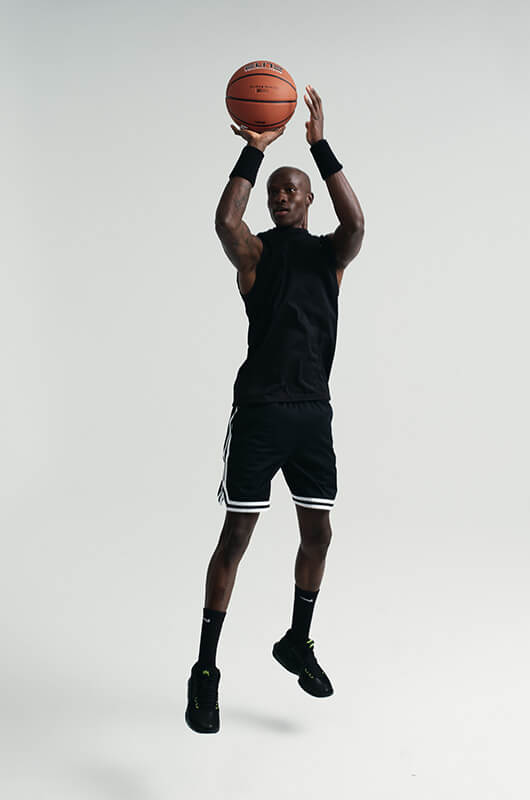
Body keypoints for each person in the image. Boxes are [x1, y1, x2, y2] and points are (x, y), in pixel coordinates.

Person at [185, 85, 365, 734]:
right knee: (237, 537)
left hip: (313, 414)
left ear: (309, 198)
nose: (284, 196)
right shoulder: (255, 255)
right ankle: (205, 670)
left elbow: (359, 224)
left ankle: (297, 640)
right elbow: (223, 222)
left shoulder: (331, 255)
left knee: (318, 535)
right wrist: (254, 156)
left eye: (294, 189)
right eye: (277, 191)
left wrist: (318, 148)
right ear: (270, 200)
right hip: (261, 413)